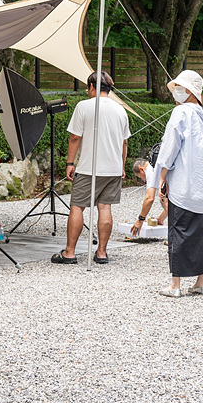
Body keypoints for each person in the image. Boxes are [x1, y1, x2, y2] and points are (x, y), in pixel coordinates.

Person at [151, 69, 203, 296]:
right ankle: (201, 282)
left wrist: (161, 176)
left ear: (190, 91)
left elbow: (170, 146)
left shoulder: (181, 112)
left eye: (181, 87)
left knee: (179, 231)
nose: (177, 91)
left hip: (184, 183)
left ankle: (175, 285)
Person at [52, 71, 130, 265]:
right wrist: (121, 166)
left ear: (92, 87)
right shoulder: (121, 110)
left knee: (77, 206)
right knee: (105, 207)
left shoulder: (84, 106)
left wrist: (70, 163)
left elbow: (75, 137)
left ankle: (69, 252)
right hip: (113, 167)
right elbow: (124, 143)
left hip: (88, 167)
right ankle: (102, 253)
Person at [130, 158, 167, 230]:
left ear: (142, 169)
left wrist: (140, 219)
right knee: (163, 199)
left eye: (140, 176)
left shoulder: (149, 170)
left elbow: (149, 198)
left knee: (165, 200)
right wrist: (160, 219)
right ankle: (161, 219)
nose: (144, 180)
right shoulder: (154, 164)